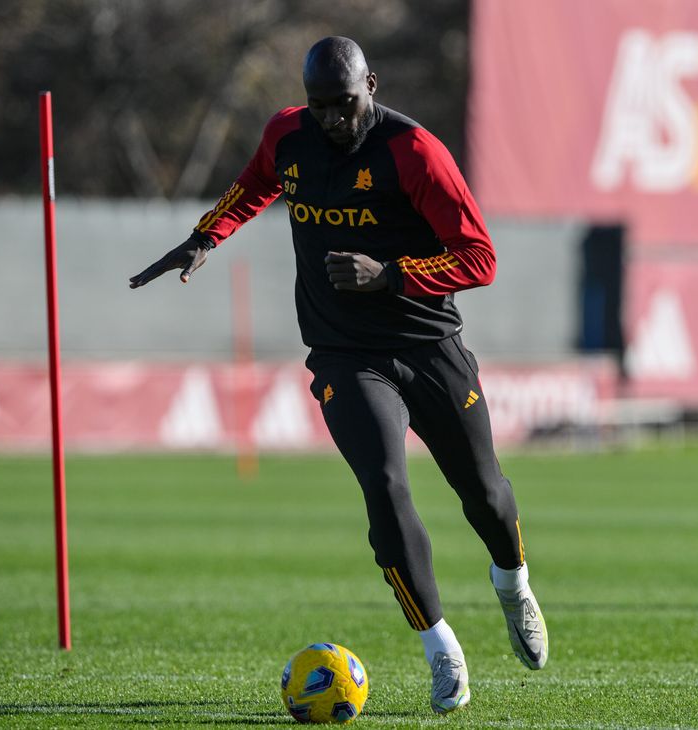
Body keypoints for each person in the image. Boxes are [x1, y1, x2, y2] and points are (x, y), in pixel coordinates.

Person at [129, 36, 547, 714]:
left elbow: (479, 258)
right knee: (383, 485)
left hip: (428, 346)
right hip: (344, 354)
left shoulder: (414, 153)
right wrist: (206, 235)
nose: (332, 120)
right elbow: (253, 186)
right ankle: (440, 646)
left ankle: (513, 584)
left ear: (371, 86)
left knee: (486, 494)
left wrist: (391, 276)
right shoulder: (287, 136)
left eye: (345, 104)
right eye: (321, 106)